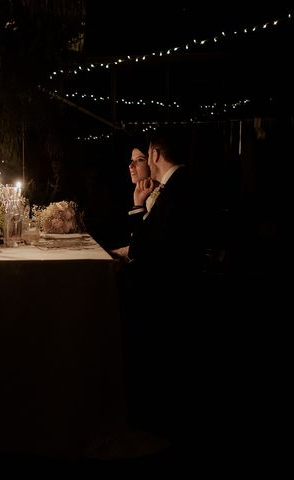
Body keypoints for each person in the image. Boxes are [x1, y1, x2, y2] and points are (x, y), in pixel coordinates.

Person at [122, 126, 204, 449]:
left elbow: (148, 250)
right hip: (174, 289)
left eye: (144, 156)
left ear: (155, 154)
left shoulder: (176, 190)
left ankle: (153, 423)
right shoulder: (183, 185)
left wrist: (138, 209)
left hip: (166, 297)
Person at [109, 133, 157, 260]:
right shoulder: (144, 194)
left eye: (140, 160)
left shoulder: (161, 197)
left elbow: (145, 246)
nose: (131, 166)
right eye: (131, 160)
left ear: (152, 161)